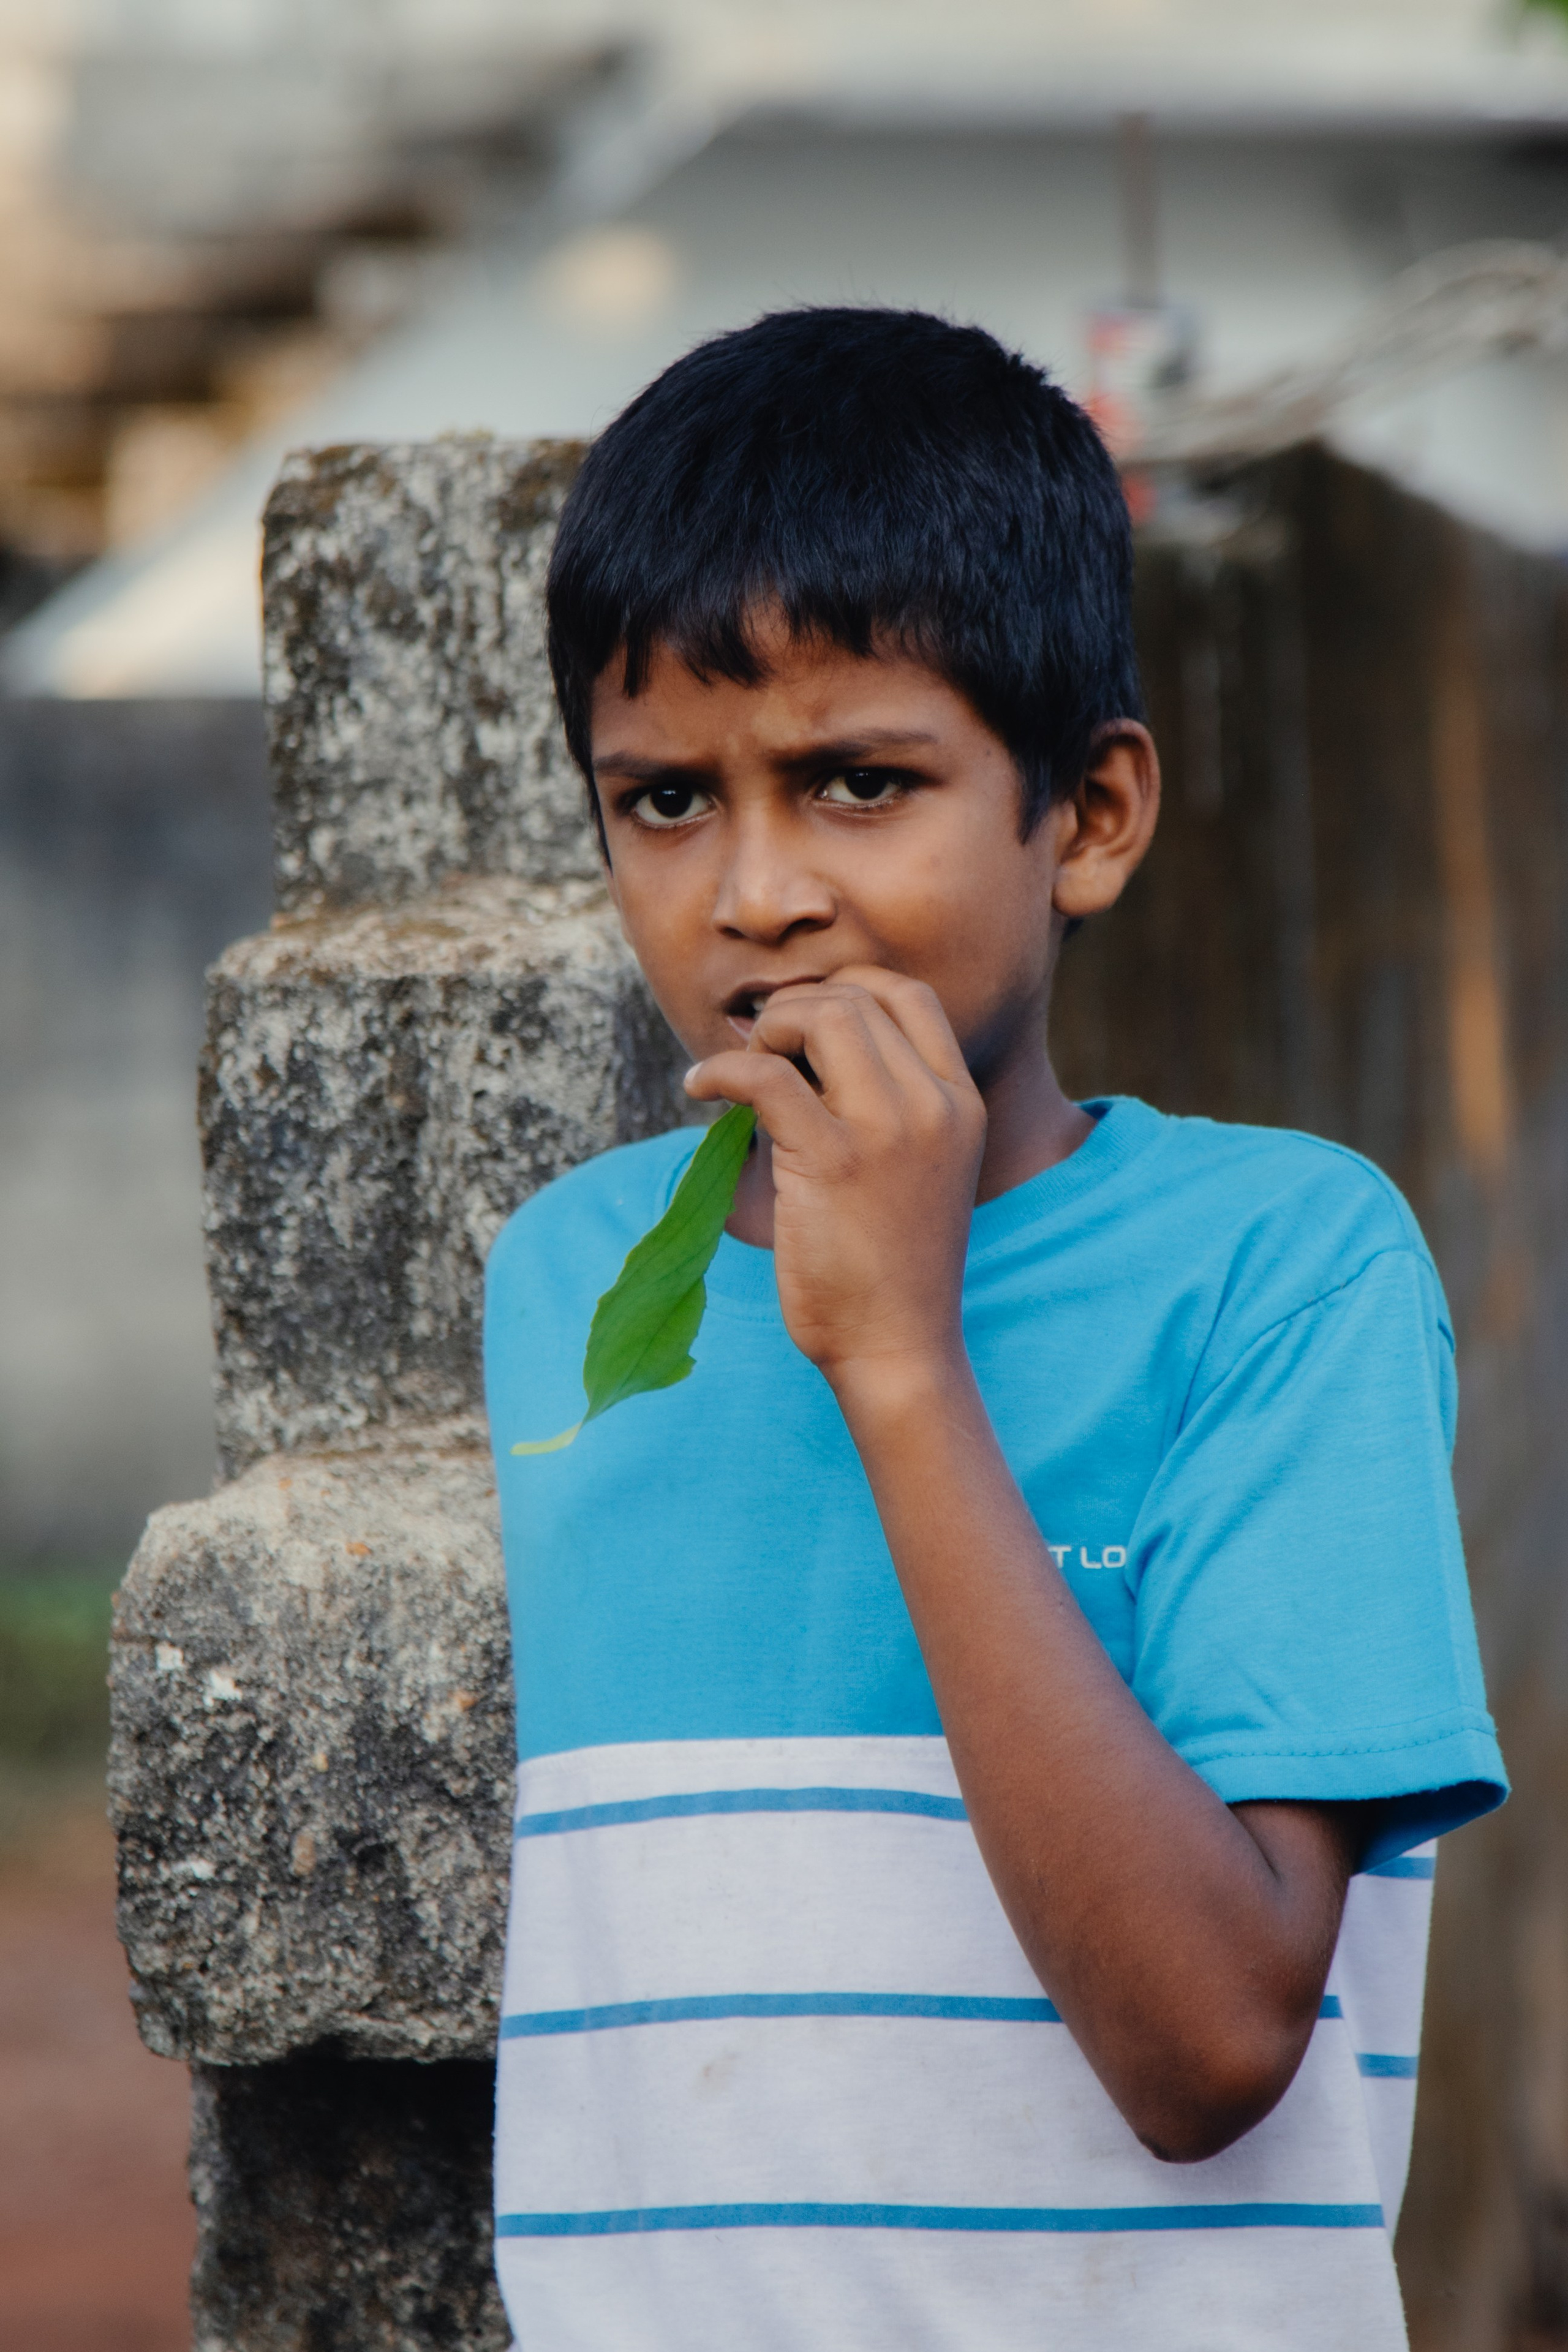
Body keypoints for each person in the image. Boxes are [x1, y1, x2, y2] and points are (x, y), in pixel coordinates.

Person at [483, 307, 1506, 2350]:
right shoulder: (571, 1281)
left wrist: (902, 1362)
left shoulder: (1284, 1269)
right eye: (665, 802)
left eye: (860, 780)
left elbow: (1208, 2046)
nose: (755, 893)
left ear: (1091, 818)